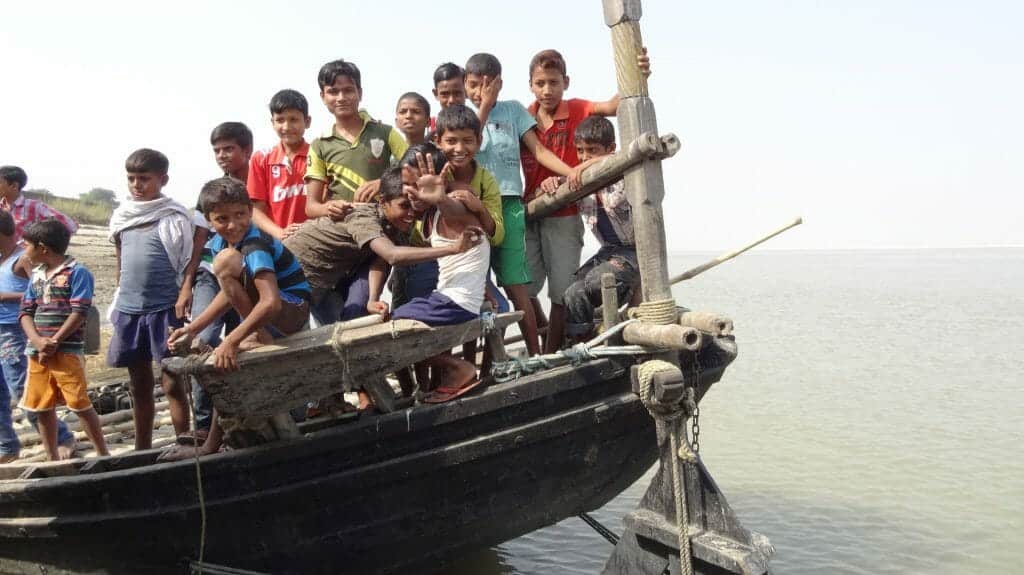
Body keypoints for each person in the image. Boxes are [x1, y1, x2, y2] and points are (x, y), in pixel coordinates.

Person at [162, 177, 311, 460]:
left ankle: (260, 335)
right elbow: (229, 293)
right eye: (222, 218)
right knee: (225, 369)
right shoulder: (220, 242)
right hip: (271, 309)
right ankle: (210, 445)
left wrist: (231, 339)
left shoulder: (254, 244)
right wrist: (193, 328)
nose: (233, 224)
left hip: (291, 310)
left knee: (226, 266)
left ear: (250, 212)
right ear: (208, 220)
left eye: (240, 215)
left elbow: (271, 301)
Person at [521, 48, 650, 353]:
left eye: (553, 82)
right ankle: (572, 345)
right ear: (530, 85)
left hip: (572, 213)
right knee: (545, 288)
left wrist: (638, 74)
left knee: (569, 291)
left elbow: (617, 107)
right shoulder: (524, 118)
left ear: (565, 82)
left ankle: (572, 347)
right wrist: (556, 181)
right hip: (540, 206)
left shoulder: (579, 110)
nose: (547, 90)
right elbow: (538, 159)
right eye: (540, 83)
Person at [462, 52, 580, 356]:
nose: (479, 91)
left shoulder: (514, 111)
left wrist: (572, 172)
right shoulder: (463, 118)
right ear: (465, 85)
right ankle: (480, 360)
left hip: (510, 204)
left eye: (487, 85)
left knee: (517, 287)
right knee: (477, 285)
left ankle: (536, 355)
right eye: (473, 85)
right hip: (473, 209)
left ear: (499, 84)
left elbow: (539, 152)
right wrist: (484, 106)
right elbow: (467, 144)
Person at [369, 152, 488, 403]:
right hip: (450, 299)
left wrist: (441, 197)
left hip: (456, 302)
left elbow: (455, 211)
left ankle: (460, 367)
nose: (411, 192)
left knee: (387, 333)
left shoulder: (451, 209)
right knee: (388, 323)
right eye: (408, 186)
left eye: (416, 184)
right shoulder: (430, 217)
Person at [107, 149, 193, 450]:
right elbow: (120, 262)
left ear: (163, 179)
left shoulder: (175, 216)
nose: (136, 185)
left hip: (165, 309)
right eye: (131, 178)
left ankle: (184, 441)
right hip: (130, 310)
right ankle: (142, 448)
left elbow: (186, 263)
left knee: (172, 381)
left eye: (144, 178)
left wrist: (185, 294)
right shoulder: (122, 217)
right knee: (139, 384)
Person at [182, 123, 255, 443]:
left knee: (251, 340)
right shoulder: (209, 191)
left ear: (246, 151)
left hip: (249, 268)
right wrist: (187, 285)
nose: (223, 156)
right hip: (211, 271)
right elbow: (200, 240)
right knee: (205, 337)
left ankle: (252, 414)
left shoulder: (258, 180)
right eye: (218, 150)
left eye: (229, 149)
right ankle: (203, 423)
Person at [18, 219, 108, 460]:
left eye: (27, 246)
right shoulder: (36, 276)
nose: (24, 251)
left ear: (43, 248)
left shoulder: (77, 273)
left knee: (79, 403)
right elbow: (26, 312)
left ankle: (103, 454)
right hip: (37, 352)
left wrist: (55, 340)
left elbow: (79, 312)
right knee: (41, 406)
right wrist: (37, 341)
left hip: (66, 351)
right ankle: (52, 457)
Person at [0, 210, 77, 461]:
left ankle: (62, 437)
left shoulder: (22, 259)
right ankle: (6, 445)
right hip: (2, 329)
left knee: (23, 388)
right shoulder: (3, 259)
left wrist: (7, 297)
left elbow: (45, 290)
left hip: (16, 330)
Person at [562, 117, 640, 342]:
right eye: (580, 151)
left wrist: (585, 165)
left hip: (633, 251)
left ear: (609, 149)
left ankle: (635, 288)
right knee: (572, 292)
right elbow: (563, 184)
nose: (585, 157)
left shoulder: (625, 172)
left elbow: (625, 155)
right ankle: (584, 345)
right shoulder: (581, 182)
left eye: (592, 151)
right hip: (609, 251)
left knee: (597, 281)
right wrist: (550, 184)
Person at [248, 90, 312, 241]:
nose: (287, 126)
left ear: (307, 121)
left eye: (293, 119)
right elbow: (256, 210)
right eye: (280, 120)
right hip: (277, 242)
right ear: (272, 123)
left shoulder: (319, 154)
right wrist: (280, 233)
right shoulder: (261, 158)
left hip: (313, 238)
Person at [0, 166, 78, 242]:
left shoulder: (34, 207)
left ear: (14, 186)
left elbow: (70, 226)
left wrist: (37, 244)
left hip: (23, 254)